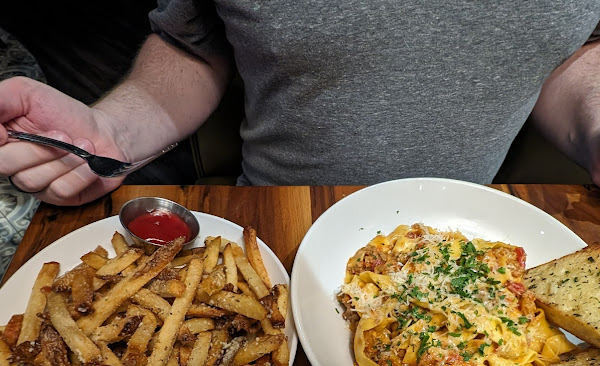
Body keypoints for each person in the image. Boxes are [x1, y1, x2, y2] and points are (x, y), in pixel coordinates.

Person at [0, 1, 599, 206]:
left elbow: (566, 50)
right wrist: (114, 133)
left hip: (476, 236)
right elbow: (194, 46)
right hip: (280, 226)